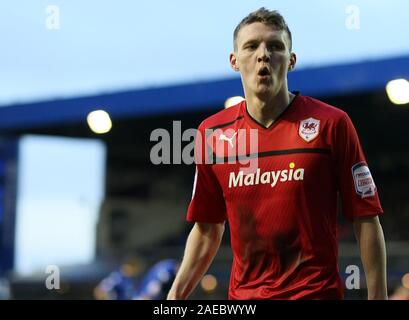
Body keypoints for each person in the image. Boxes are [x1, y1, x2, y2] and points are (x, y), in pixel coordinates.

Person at [167, 7, 387, 300]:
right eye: (251, 46)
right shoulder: (212, 135)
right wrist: (174, 298)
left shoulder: (332, 124)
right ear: (234, 61)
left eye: (275, 46)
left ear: (291, 60)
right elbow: (207, 228)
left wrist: (379, 297)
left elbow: (366, 218)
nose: (263, 54)